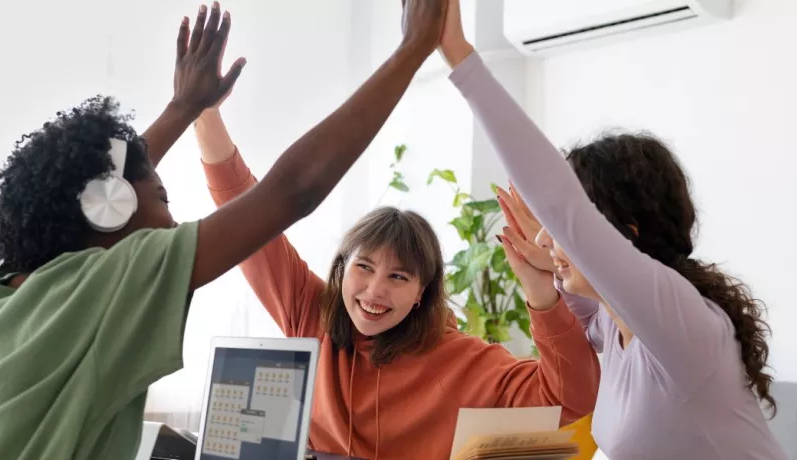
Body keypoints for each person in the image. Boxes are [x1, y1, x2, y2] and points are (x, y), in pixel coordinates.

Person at [0, 1, 449, 458]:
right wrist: (411, 50)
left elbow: (96, 197)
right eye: (161, 195)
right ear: (111, 208)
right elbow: (293, 190)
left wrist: (185, 107)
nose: (172, 216)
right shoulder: (105, 283)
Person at [196, 62, 600, 460]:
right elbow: (247, 217)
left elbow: (571, 401)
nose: (375, 291)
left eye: (398, 276)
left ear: (422, 293)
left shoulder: (463, 362)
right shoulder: (311, 314)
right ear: (341, 271)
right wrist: (204, 111)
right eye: (364, 268)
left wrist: (540, 289)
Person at [439, 1, 789, 458]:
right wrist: (549, 267)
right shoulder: (613, 321)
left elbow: (560, 204)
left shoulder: (678, 319)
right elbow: (570, 313)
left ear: (625, 235)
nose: (548, 238)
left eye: (564, 230)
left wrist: (459, 54)